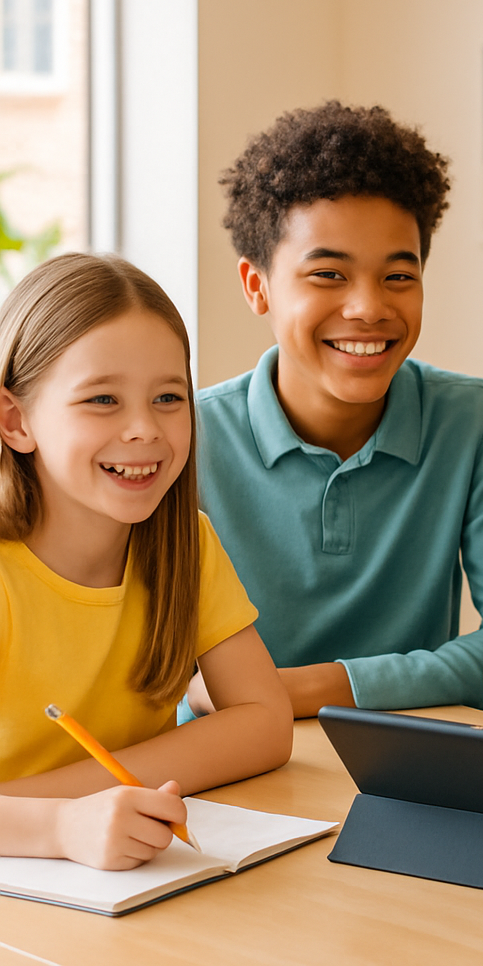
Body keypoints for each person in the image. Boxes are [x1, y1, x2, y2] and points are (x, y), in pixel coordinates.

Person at [185, 102, 483, 720]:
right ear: (257, 286)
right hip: (228, 772)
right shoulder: (187, 439)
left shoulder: (473, 420)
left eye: (398, 277)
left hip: (410, 770)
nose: (368, 308)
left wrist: (315, 689)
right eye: (328, 274)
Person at [0, 253, 292, 870]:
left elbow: (266, 723)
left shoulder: (186, 542)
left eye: (167, 397)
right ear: (15, 420)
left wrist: (57, 806)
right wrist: (54, 826)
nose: (143, 430)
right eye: (103, 399)